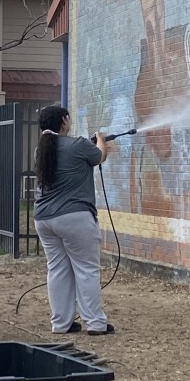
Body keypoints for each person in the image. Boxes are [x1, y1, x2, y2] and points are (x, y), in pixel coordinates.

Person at [33, 104, 113, 336]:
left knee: (57, 269)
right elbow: (99, 156)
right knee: (86, 269)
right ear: (64, 121)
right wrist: (100, 140)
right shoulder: (78, 144)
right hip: (75, 217)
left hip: (44, 219)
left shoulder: (41, 149)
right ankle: (96, 323)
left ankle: (61, 323)